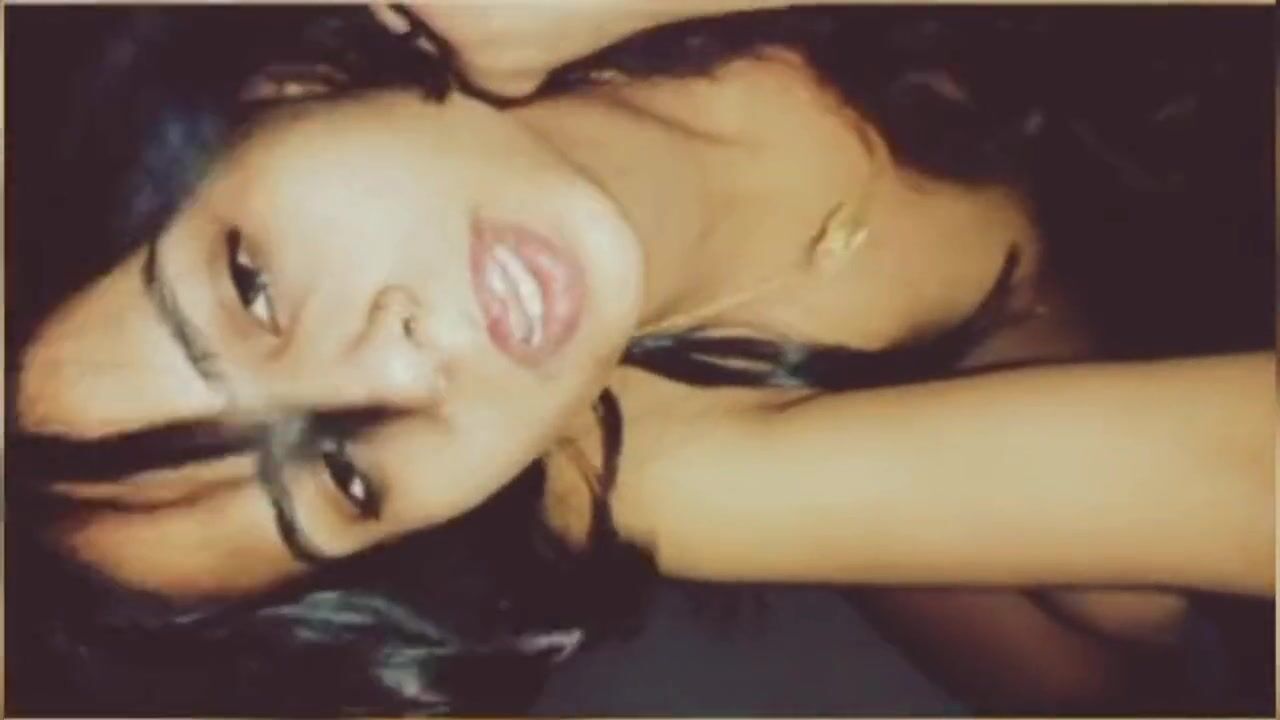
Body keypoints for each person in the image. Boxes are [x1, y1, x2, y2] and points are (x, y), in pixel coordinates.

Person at [6, 3, 1273, 715]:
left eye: (249, 288)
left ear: (268, 91)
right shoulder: (649, 460)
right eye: (345, 479)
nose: (398, 374)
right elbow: (1131, 667)